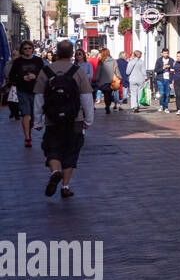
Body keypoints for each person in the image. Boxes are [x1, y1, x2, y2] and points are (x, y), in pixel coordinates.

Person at [33, 39, 94, 199]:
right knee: (71, 151)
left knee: (52, 148)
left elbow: (39, 97)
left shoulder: (45, 71)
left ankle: (54, 172)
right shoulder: (78, 71)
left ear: (57, 53)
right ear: (72, 53)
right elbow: (87, 97)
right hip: (74, 118)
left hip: (52, 118)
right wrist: (88, 120)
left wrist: (37, 121)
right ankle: (65, 186)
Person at [4, 40, 45, 147]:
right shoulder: (18, 62)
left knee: (32, 115)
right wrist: (23, 78)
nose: (27, 50)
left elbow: (44, 74)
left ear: (32, 49)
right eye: (25, 48)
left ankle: (29, 131)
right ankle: (27, 137)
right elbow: (12, 77)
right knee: (25, 114)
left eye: (29, 48)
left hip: (35, 91)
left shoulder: (38, 61)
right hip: (22, 90)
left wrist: (35, 76)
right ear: (22, 50)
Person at [92, 47, 116, 114]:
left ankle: (107, 106)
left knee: (106, 94)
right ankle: (108, 105)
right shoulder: (113, 61)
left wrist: (96, 79)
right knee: (110, 94)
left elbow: (98, 72)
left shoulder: (101, 62)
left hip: (103, 82)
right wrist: (119, 77)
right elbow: (117, 70)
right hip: (111, 81)